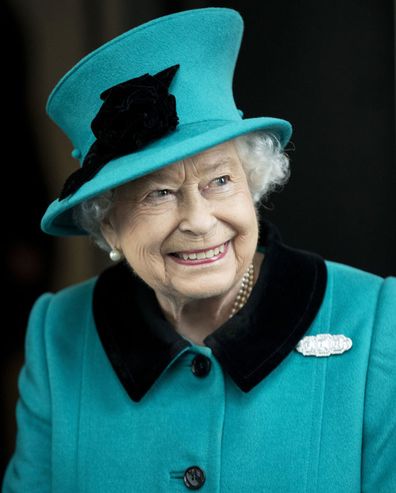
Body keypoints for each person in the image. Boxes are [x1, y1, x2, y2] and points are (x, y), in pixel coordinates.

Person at [2, 7, 395, 493]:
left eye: (221, 180)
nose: (200, 220)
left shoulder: (376, 319)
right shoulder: (58, 333)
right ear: (108, 223)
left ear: (252, 184)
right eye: (158, 194)